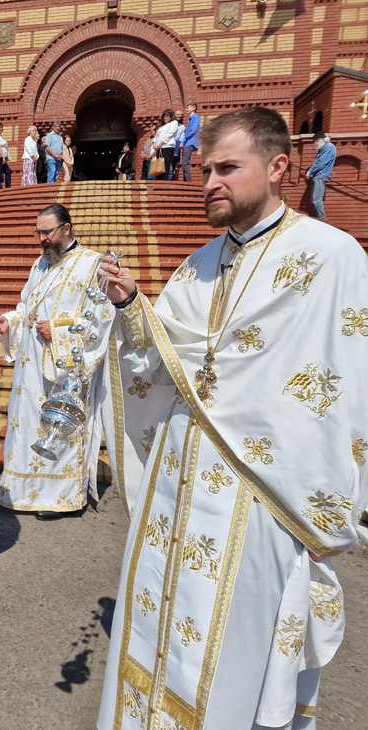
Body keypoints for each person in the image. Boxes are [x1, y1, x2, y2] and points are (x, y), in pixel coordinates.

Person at [96, 107, 368, 729]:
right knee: (156, 627)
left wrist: (330, 508)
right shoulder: (197, 263)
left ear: (277, 167)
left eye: (226, 168)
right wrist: (132, 304)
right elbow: (167, 359)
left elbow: (350, 385)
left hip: (263, 496)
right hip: (176, 485)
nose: (210, 182)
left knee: (231, 660)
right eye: (204, 171)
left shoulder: (331, 256)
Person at [0, 204, 113, 517]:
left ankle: (59, 498)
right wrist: (11, 320)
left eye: (47, 232)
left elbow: (103, 317)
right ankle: (21, 492)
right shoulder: (40, 263)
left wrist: (60, 329)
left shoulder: (93, 264)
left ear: (66, 228)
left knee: (59, 424)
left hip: (64, 366)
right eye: (38, 232)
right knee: (27, 425)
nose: (42, 238)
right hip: (29, 363)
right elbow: (27, 306)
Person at [305, 131, 336, 219]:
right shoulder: (325, 147)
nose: (315, 143)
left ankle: (322, 218)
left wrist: (311, 172)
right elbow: (318, 162)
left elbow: (321, 162)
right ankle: (319, 216)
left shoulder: (327, 147)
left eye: (317, 140)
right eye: (314, 141)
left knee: (317, 199)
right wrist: (310, 171)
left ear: (323, 139)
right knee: (315, 199)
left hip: (321, 176)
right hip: (320, 175)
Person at [153, 109, 180, 180]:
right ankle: (158, 179)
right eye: (164, 116)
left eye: (167, 116)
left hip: (168, 146)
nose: (165, 118)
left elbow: (170, 134)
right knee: (159, 164)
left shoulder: (174, 123)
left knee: (165, 164)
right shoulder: (162, 126)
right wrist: (154, 143)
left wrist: (161, 143)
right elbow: (157, 136)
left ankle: (164, 180)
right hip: (159, 148)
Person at [181, 103, 202, 181]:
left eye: (188, 108)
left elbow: (193, 131)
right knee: (184, 163)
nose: (186, 109)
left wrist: (183, 141)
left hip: (190, 142)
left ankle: (189, 182)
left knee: (185, 163)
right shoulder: (191, 119)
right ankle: (185, 182)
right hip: (187, 143)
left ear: (193, 109)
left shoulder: (195, 117)